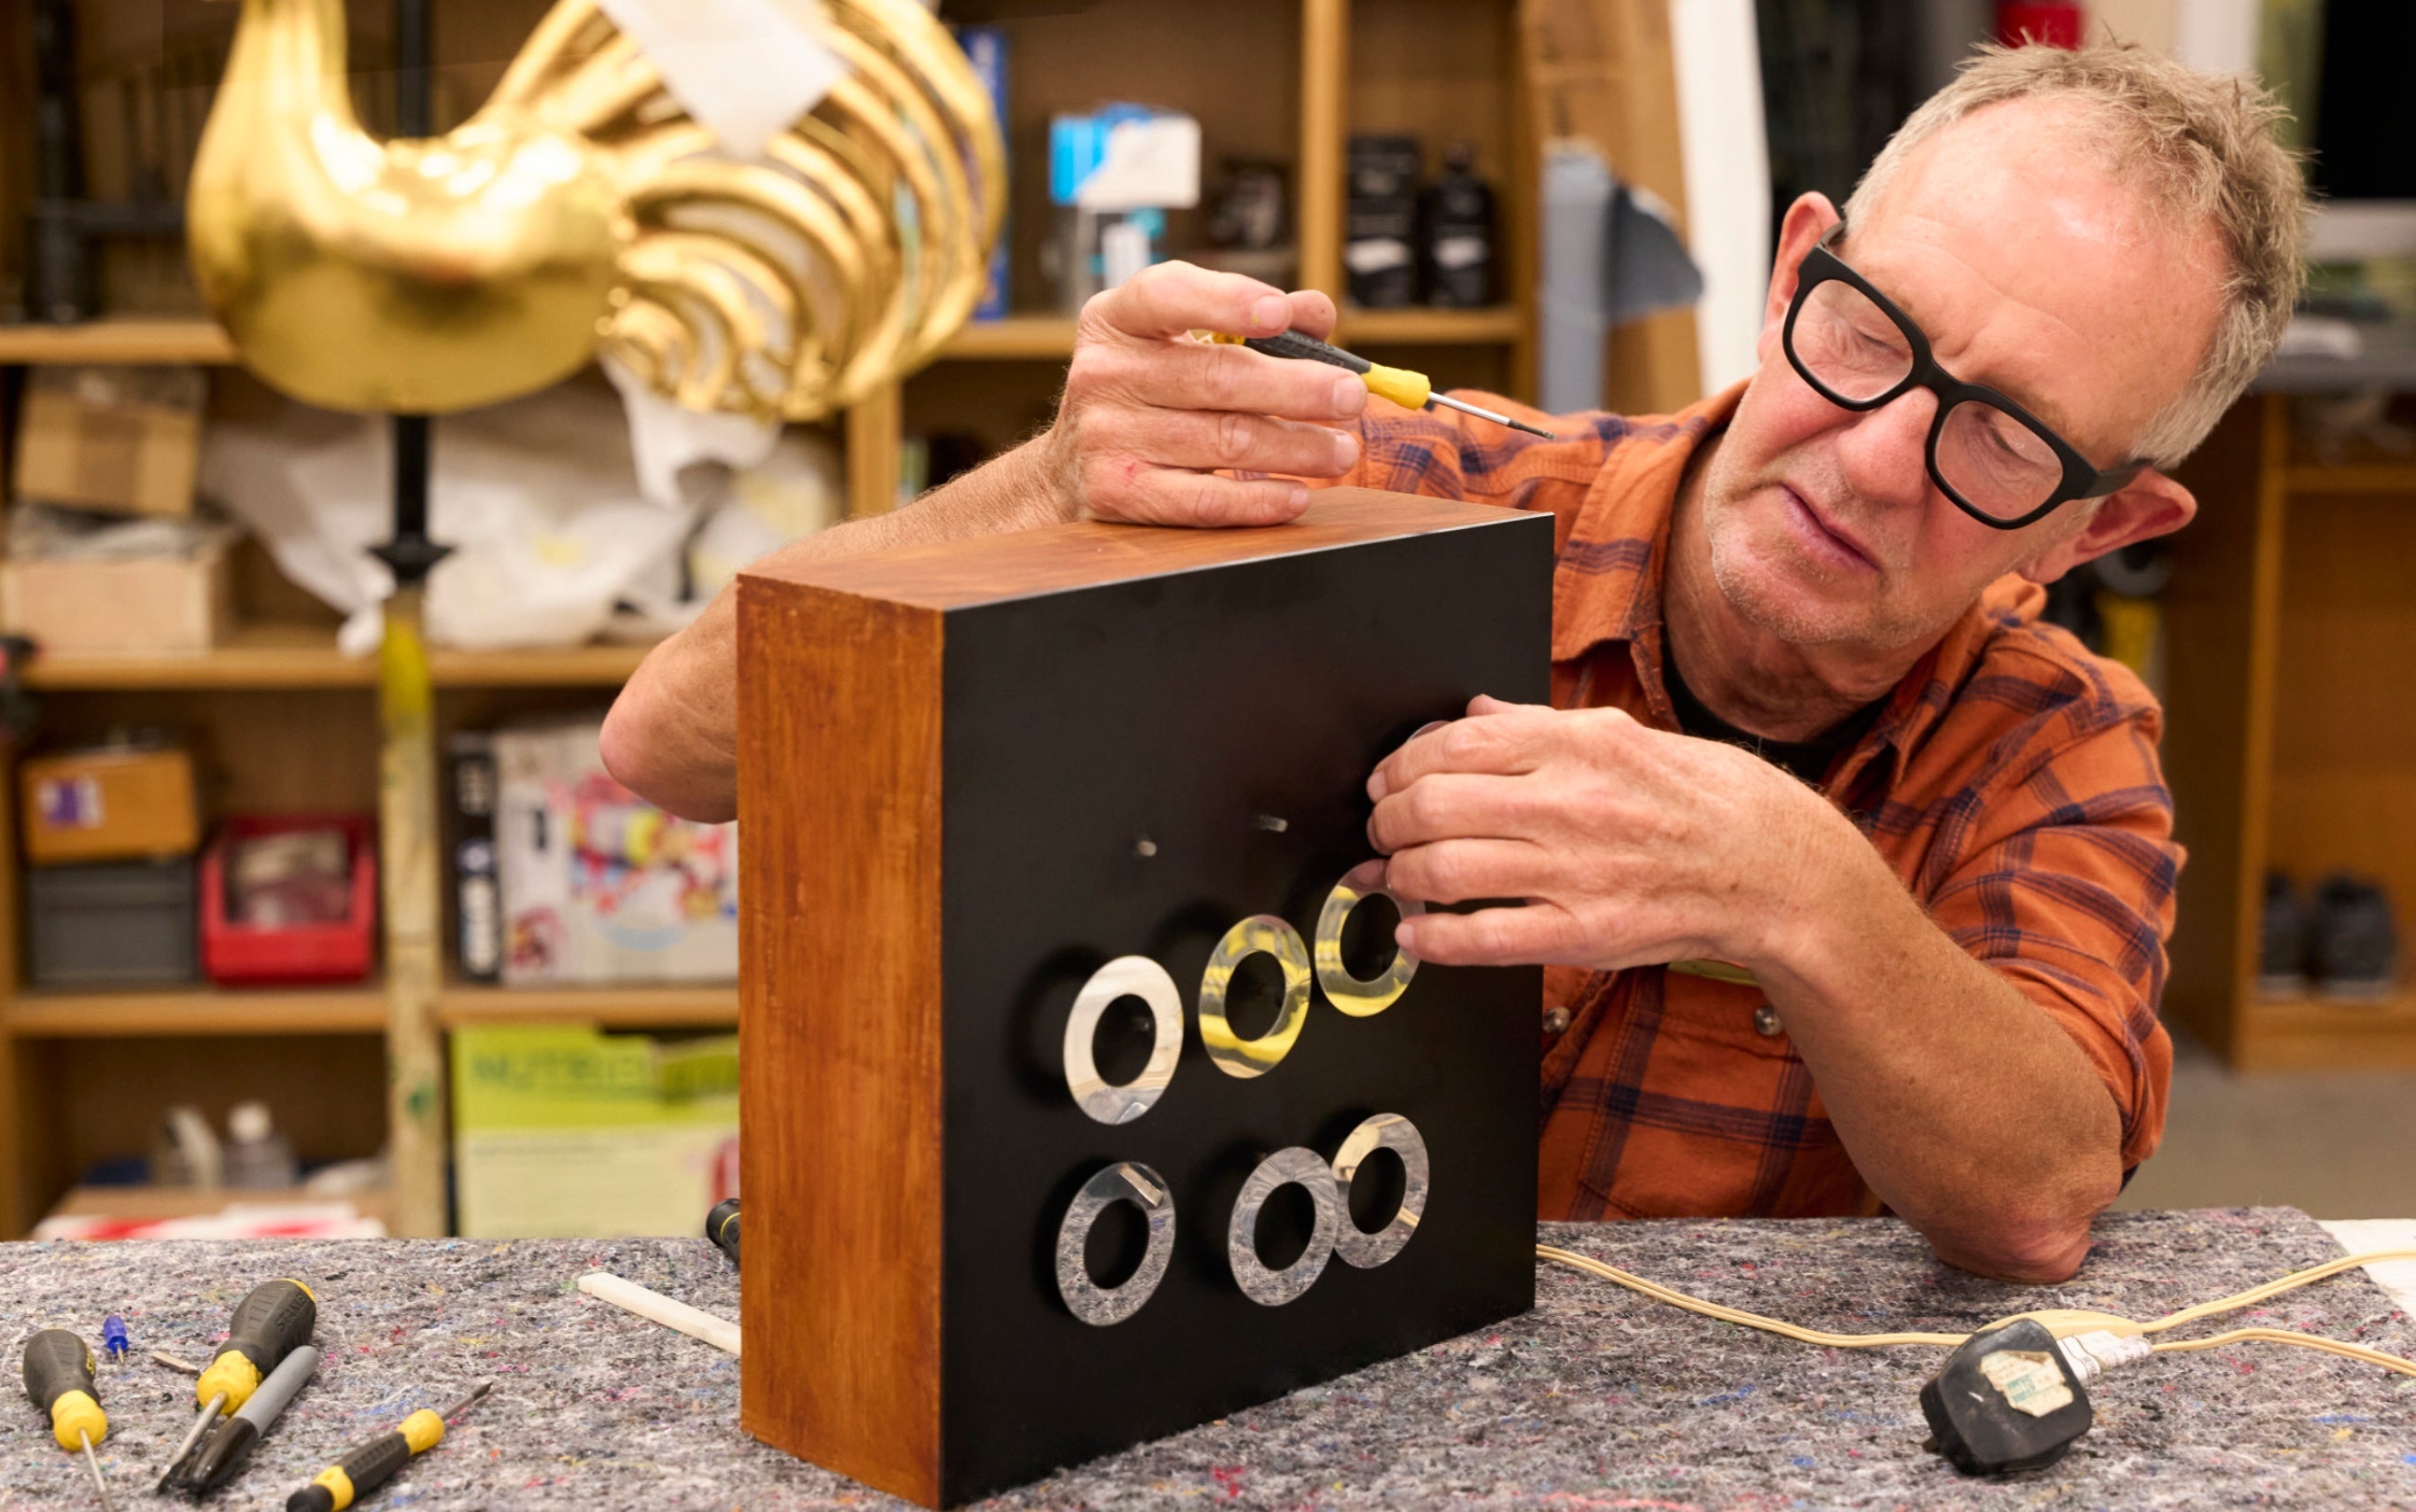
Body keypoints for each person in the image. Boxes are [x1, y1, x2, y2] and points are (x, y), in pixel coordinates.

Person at [600, 44, 2308, 1281]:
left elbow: (2038, 1193)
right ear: (1798, 263)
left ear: (2094, 529)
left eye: (2002, 441)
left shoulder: (2053, 747)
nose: (1871, 456)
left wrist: (1797, 891)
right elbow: (673, 750)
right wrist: (1055, 484)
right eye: (1868, 335)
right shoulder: (1381, 501)